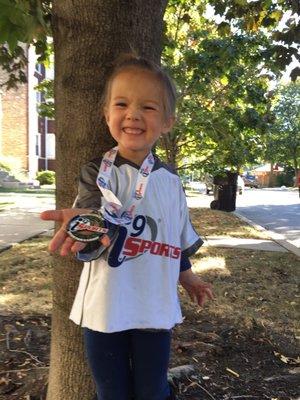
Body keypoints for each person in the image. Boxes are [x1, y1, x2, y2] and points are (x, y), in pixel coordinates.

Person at [41, 54, 214, 400]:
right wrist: (83, 228)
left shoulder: (171, 183)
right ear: (107, 115)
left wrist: (188, 276)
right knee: (111, 390)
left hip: (154, 305)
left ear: (167, 121)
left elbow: (175, 239)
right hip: (106, 306)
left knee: (152, 389)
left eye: (148, 107)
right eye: (122, 104)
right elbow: (89, 232)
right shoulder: (97, 173)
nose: (133, 114)